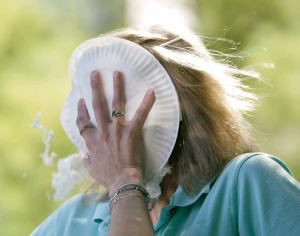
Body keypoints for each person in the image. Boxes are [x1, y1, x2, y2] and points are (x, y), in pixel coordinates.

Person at [30, 24, 300, 236]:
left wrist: (125, 179)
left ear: (180, 109)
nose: (108, 129)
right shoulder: (75, 219)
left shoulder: (246, 183)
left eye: (120, 107)